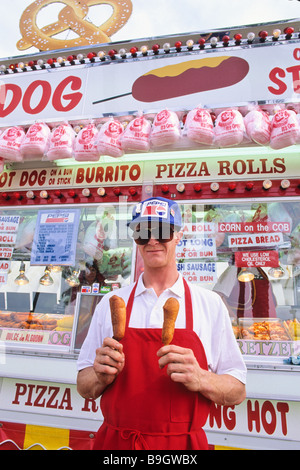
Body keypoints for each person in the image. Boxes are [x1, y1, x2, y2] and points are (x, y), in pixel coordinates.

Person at [76, 197, 246, 450]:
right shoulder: (111, 303)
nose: (152, 240)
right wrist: (99, 376)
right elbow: (84, 386)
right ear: (135, 239)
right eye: (142, 233)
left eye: (162, 231)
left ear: (178, 235)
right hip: (117, 444)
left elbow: (237, 391)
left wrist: (202, 378)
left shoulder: (209, 304)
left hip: (181, 446)